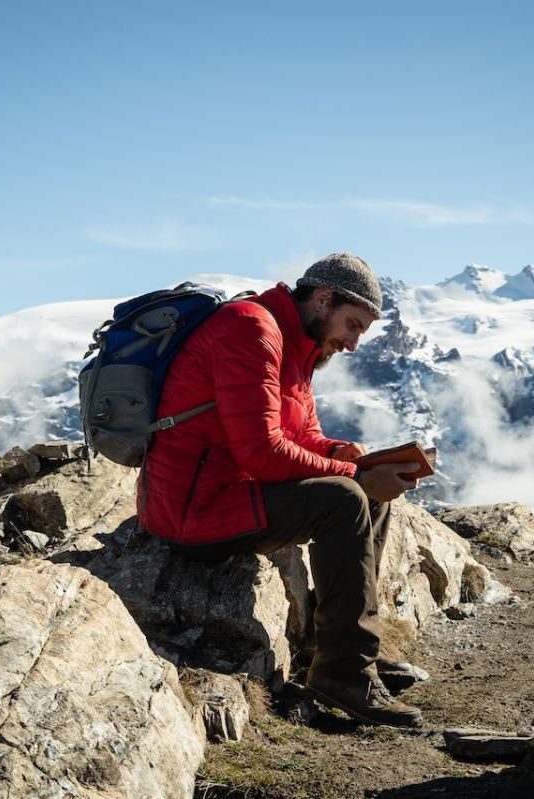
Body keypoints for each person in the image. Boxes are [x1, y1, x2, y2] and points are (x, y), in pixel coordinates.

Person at [137, 253, 424, 728]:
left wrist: (344, 453)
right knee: (346, 497)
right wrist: (353, 477)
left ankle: (343, 648)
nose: (352, 343)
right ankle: (345, 675)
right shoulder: (251, 328)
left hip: (235, 494)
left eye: (360, 333)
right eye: (351, 325)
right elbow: (261, 452)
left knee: (367, 489)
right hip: (193, 513)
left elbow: (300, 434)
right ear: (322, 298)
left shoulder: (299, 343)